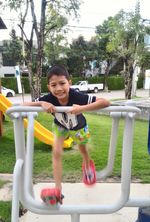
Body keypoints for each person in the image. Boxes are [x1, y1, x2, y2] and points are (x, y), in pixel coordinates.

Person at [22, 65, 110, 205]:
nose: (58, 89)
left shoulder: (76, 96)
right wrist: (41, 103)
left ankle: (87, 165)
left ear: (69, 82)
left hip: (79, 127)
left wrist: (82, 108)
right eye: (53, 85)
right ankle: (58, 189)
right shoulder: (49, 98)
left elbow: (105, 102)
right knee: (56, 153)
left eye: (62, 83)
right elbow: (24, 104)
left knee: (83, 149)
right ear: (49, 86)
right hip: (60, 126)